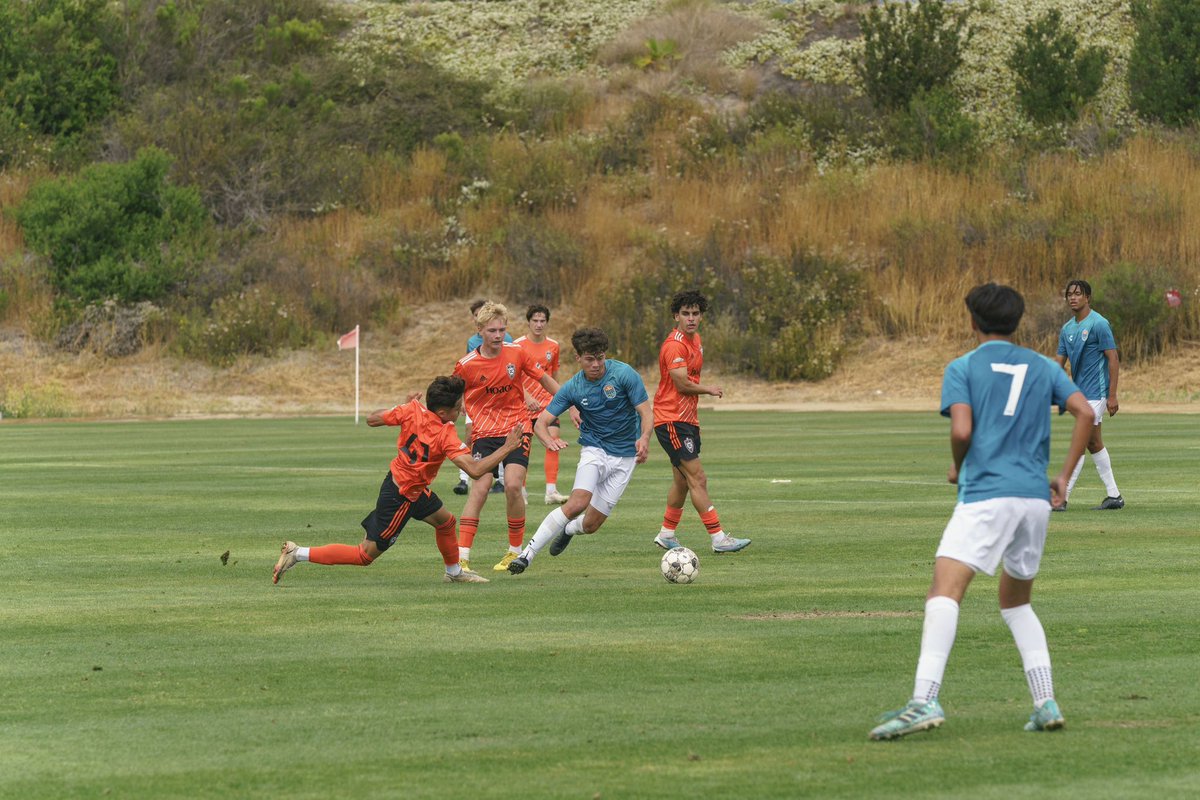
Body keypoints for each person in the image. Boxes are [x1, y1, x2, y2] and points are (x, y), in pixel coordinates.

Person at [868, 283, 1093, 741]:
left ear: (972, 321)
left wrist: (959, 463)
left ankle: (924, 699)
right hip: (1034, 499)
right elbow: (1085, 413)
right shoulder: (1043, 366)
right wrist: (1063, 479)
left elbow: (962, 427)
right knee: (1016, 603)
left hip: (988, 493)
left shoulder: (963, 367)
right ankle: (1045, 701)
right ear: (1018, 320)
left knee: (944, 592)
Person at [272, 376, 523, 585]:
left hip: (408, 485)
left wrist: (401, 408)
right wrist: (507, 447)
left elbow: (372, 419)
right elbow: (476, 470)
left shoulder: (412, 410)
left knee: (446, 522)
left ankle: (454, 572)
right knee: (365, 555)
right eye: (459, 408)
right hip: (402, 496)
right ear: (444, 412)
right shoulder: (445, 434)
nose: (462, 410)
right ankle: (298, 553)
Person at [507, 327, 653, 575]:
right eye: (589, 359)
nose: (596, 364)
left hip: (626, 456)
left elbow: (646, 412)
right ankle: (526, 555)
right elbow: (542, 422)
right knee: (577, 502)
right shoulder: (573, 388)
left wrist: (645, 438)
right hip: (594, 450)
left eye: (600, 357)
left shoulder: (624, 374)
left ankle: (568, 529)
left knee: (591, 525)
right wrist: (547, 441)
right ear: (578, 358)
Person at [453, 301, 560, 572]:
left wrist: (571, 401)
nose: (498, 335)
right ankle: (462, 557)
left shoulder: (517, 353)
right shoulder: (466, 365)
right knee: (480, 488)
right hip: (484, 433)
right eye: (492, 330)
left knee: (513, 486)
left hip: (517, 428)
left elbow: (544, 378)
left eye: (502, 329)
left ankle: (514, 552)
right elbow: (452, 397)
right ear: (479, 330)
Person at [652, 290, 750, 554]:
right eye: (685, 313)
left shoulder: (696, 341)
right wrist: (708, 389)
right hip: (671, 419)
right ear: (676, 316)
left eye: (695, 313)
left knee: (682, 481)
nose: (691, 318)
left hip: (686, 419)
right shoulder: (675, 345)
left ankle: (666, 533)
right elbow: (681, 383)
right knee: (698, 478)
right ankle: (718, 538)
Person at [1053, 279, 1124, 511]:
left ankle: (1062, 498)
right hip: (1080, 396)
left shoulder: (1099, 324)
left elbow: (1113, 359)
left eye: (1078, 293)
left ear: (1087, 298)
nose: (1073, 297)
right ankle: (1114, 496)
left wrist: (1112, 396)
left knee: (1081, 441)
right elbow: (1059, 364)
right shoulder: (1067, 329)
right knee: (1094, 443)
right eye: (1069, 294)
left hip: (1098, 393)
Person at [454, 299, 515, 496]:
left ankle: (503, 480)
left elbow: (516, 372)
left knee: (507, 439)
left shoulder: (511, 342)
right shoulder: (472, 343)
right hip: (479, 403)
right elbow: (465, 376)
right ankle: (464, 477)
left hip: (504, 405)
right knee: (470, 435)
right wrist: (462, 399)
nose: (497, 334)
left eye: (500, 329)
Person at [514, 304, 571, 505]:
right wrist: (527, 397)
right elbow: (514, 376)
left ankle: (551, 491)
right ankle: (521, 490)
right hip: (524, 404)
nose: (538, 324)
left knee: (553, 440)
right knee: (523, 447)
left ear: (547, 322)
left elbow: (552, 375)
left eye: (542, 321)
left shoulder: (553, 346)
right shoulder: (517, 345)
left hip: (547, 403)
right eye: (535, 321)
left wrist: (559, 399)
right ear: (528, 322)